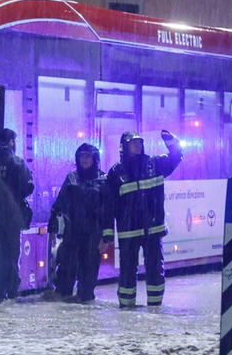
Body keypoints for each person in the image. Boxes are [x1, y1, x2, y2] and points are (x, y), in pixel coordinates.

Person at [104, 130, 182, 308]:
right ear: (124, 146)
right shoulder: (116, 173)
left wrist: (172, 142)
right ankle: (126, 309)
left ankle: (155, 309)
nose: (137, 146)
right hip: (128, 231)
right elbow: (108, 205)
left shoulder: (154, 164)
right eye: (133, 143)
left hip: (153, 229)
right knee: (127, 271)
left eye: (139, 142)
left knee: (155, 270)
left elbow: (177, 156)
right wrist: (107, 234)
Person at [49, 143, 108, 303]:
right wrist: (52, 229)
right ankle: (63, 293)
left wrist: (106, 237)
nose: (84, 160)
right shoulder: (72, 178)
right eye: (82, 156)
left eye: (88, 156)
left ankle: (85, 296)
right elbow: (59, 204)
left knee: (89, 267)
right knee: (67, 264)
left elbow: (108, 211)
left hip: (93, 232)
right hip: (72, 230)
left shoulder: (103, 180)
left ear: (94, 159)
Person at [0, 128, 34, 303]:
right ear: (11, 142)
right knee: (10, 253)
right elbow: (29, 187)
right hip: (11, 217)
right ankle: (10, 292)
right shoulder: (16, 162)